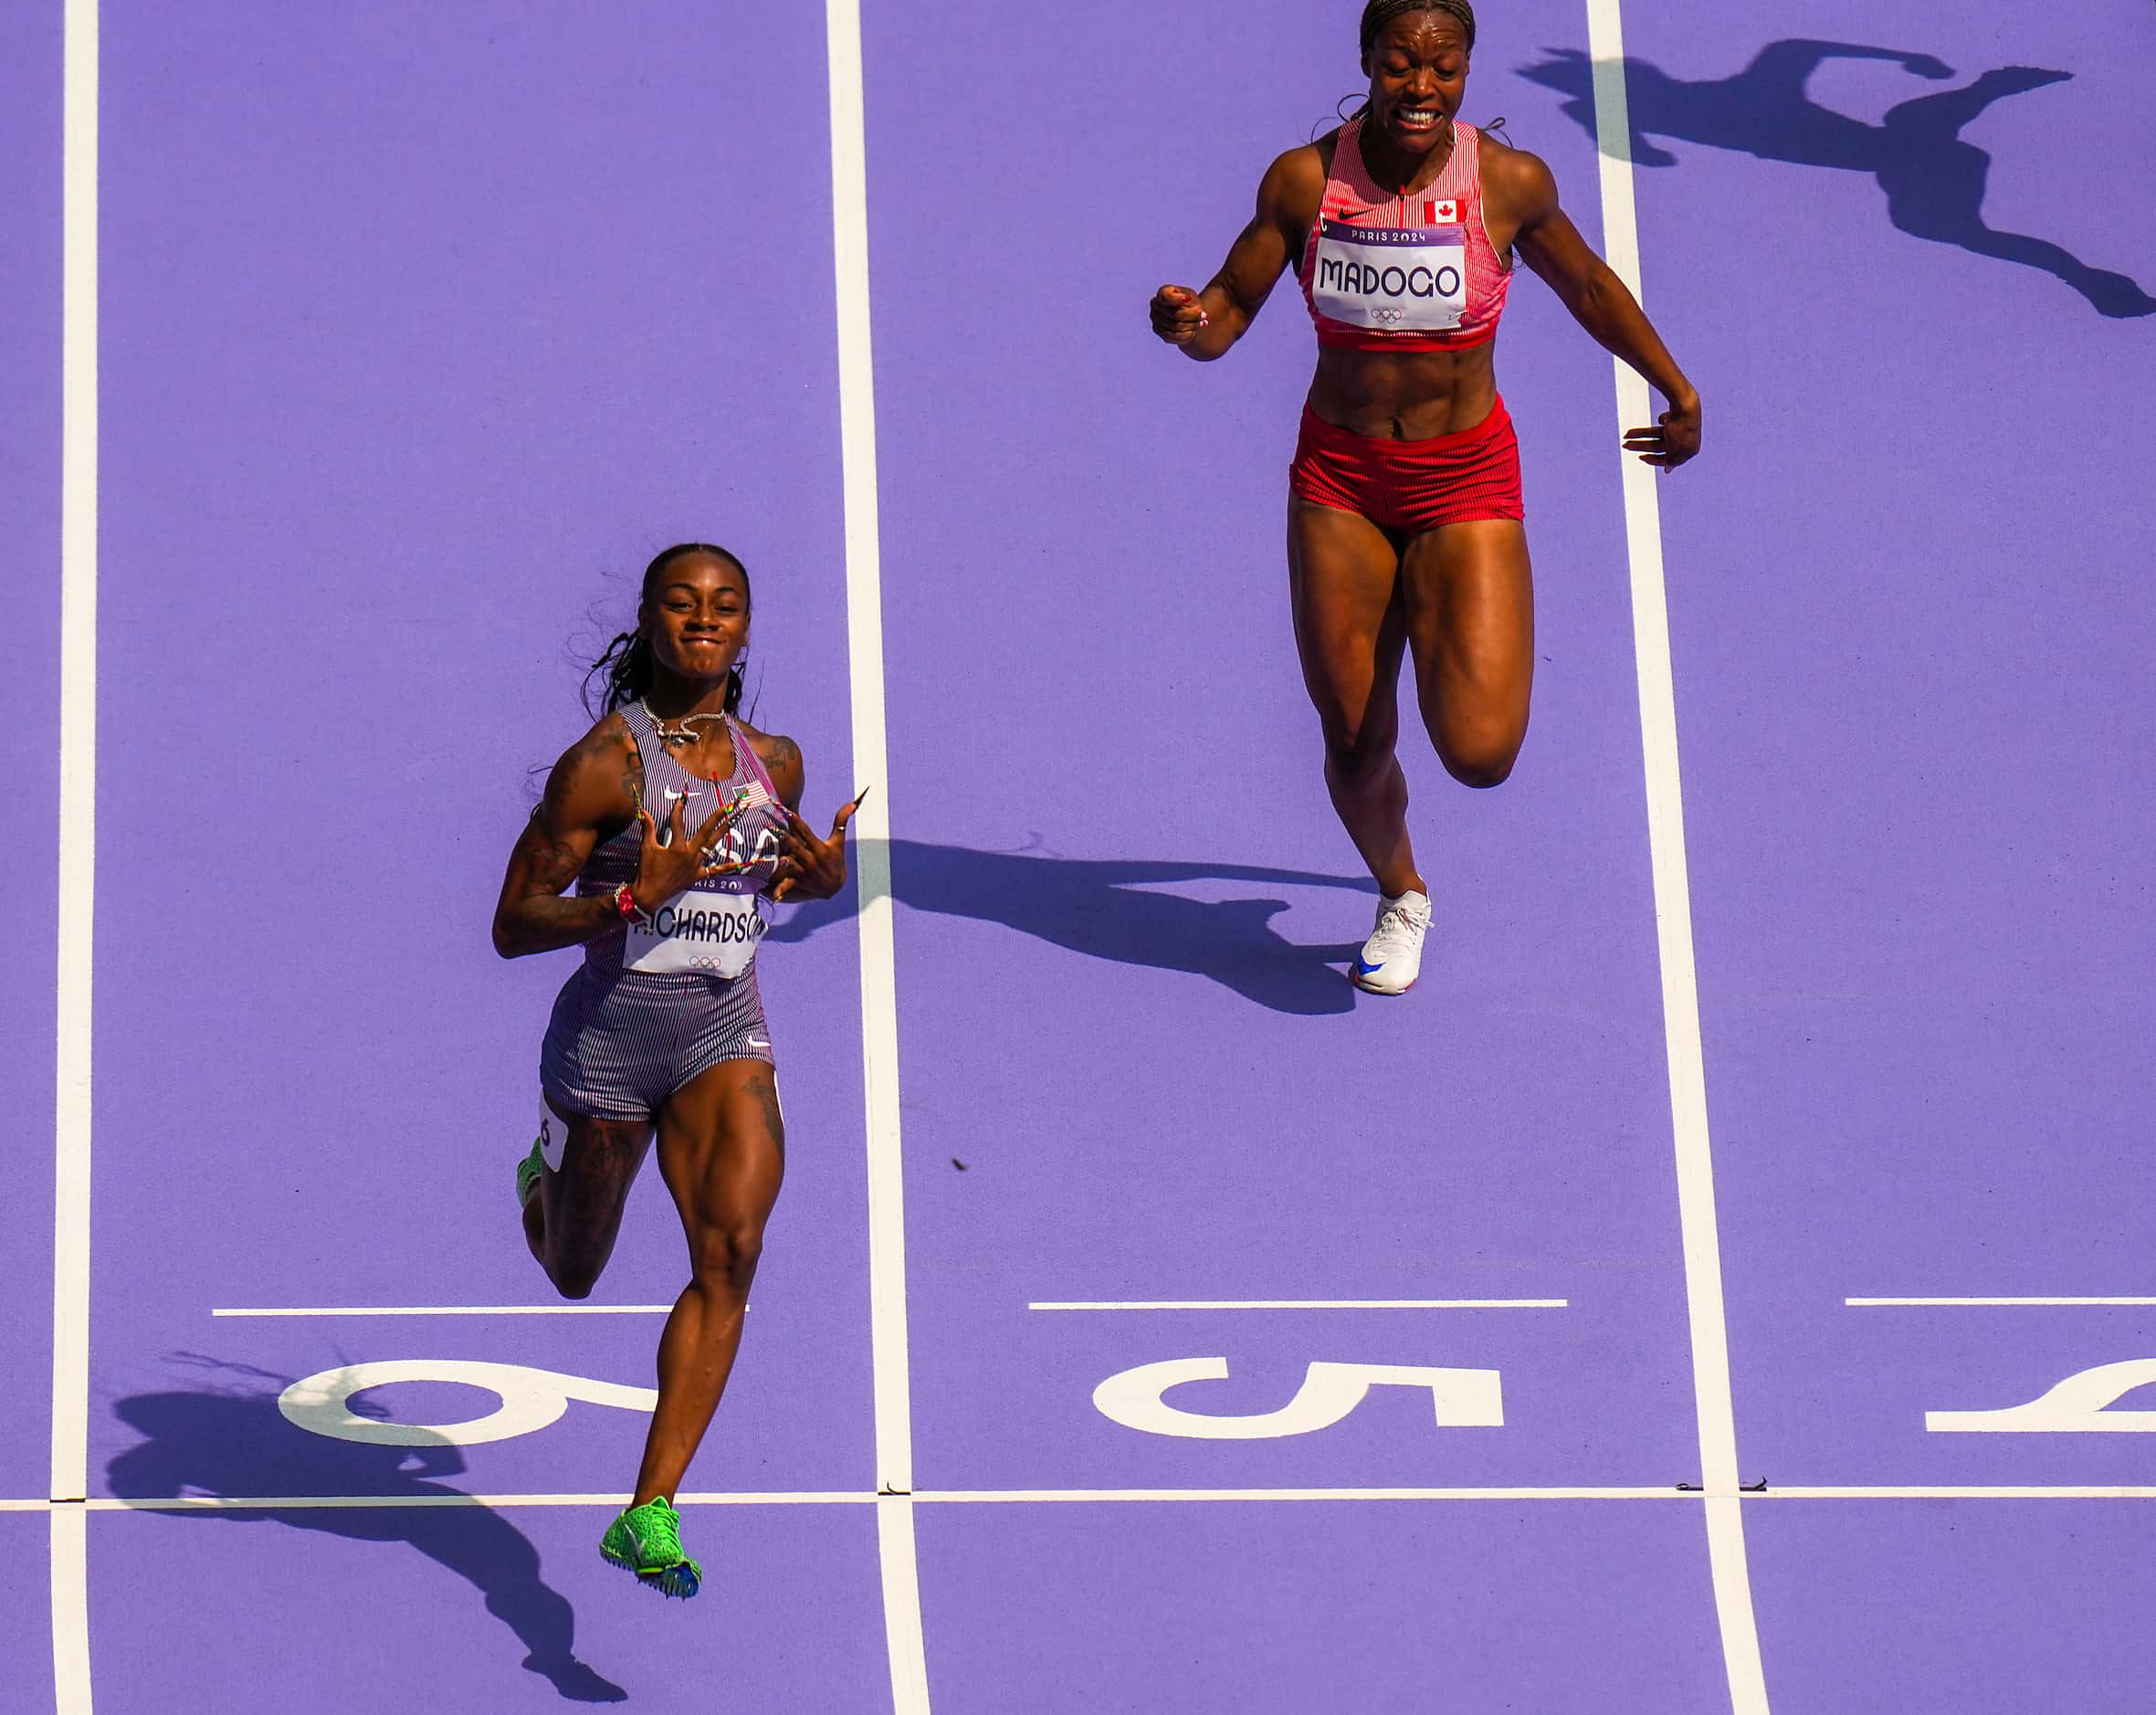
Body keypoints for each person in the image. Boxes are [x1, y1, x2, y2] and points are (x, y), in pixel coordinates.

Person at [1151, 0, 1700, 994]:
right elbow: (1227, 311)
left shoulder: (1509, 185)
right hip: (1343, 482)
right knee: (1355, 744)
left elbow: (1589, 289)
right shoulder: (1306, 182)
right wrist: (1188, 322)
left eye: (1444, 68)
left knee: (1482, 753)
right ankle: (1402, 892)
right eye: (1402, 64)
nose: (1422, 86)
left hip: (1464, 480)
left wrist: (1677, 385)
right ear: (1366, 62)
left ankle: (1433, 608)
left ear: (1467, 74)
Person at [491, 542, 861, 1598]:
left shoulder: (774, 763)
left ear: (745, 631)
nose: (705, 620)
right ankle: (540, 1174)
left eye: (726, 606)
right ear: (650, 621)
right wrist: (622, 901)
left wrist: (817, 884)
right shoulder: (601, 767)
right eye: (683, 603)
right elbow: (511, 926)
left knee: (733, 1251)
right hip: (605, 1049)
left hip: (720, 1037)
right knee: (573, 1270)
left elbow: (757, 887)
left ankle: (649, 1509)